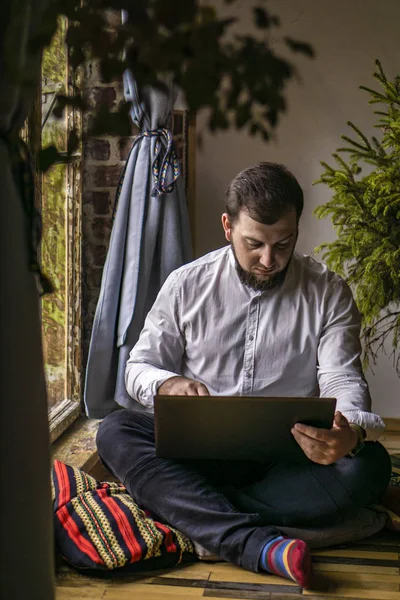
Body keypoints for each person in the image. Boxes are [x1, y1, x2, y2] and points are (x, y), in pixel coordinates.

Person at [96, 162, 392, 588]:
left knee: (369, 467)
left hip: (286, 464)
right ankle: (257, 543)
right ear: (227, 226)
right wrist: (167, 383)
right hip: (197, 455)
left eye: (283, 244)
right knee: (114, 430)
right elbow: (137, 368)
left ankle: (191, 513)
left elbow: (343, 381)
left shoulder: (329, 292)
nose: (269, 260)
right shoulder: (185, 285)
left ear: (296, 231)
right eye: (254, 244)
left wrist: (348, 436)